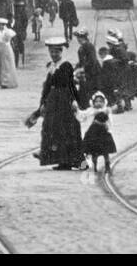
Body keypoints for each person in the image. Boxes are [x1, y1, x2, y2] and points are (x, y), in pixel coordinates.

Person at [26, 39, 84, 169]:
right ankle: (62, 161)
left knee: (66, 130)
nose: (53, 54)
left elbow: (70, 85)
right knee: (53, 130)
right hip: (53, 102)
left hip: (64, 102)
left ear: (61, 52)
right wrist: (42, 103)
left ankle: (72, 161)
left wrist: (74, 100)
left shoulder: (66, 65)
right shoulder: (52, 66)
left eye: (56, 52)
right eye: (51, 52)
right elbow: (47, 87)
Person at [81, 91, 117, 175]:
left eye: (100, 101)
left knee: (105, 151)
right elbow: (84, 116)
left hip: (104, 134)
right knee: (94, 152)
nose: (98, 103)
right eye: (96, 101)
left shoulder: (106, 110)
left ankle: (107, 165)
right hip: (93, 134)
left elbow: (109, 121)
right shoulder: (91, 110)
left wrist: (108, 127)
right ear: (93, 102)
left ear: (104, 102)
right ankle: (94, 166)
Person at [74, 28, 100, 106]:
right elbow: (82, 61)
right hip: (86, 72)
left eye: (79, 37)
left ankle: (87, 105)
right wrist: (77, 67)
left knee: (89, 89)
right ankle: (83, 105)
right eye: (77, 37)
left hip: (92, 72)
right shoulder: (83, 46)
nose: (78, 39)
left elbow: (92, 60)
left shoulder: (88, 46)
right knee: (83, 88)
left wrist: (83, 68)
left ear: (83, 37)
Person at [0, 18, 19, 89]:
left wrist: (6, 32)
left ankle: (9, 82)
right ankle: (2, 82)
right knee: (2, 66)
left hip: (7, 50)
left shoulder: (8, 31)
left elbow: (10, 37)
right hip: (1, 51)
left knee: (8, 66)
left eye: (1, 25)